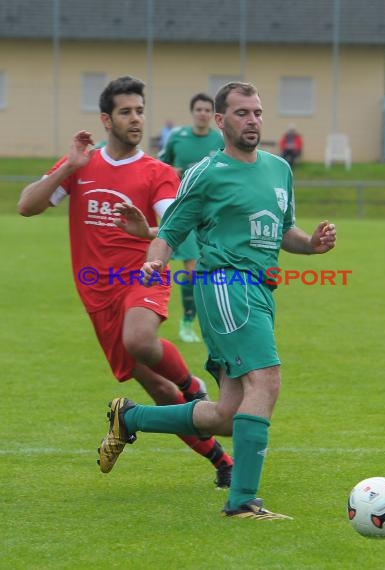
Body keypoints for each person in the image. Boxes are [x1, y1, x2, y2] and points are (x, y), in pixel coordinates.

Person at [98, 81, 336, 520]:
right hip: (226, 285)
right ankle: (243, 500)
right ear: (222, 121)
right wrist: (155, 261)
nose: (253, 121)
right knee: (266, 382)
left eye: (258, 112)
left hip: (261, 291)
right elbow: (170, 231)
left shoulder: (279, 168)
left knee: (228, 414)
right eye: (243, 113)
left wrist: (312, 244)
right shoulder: (206, 171)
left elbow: (284, 233)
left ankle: (130, 419)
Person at [17, 75, 233, 488]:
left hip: (143, 274)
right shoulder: (83, 165)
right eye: (126, 112)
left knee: (140, 341)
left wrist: (147, 233)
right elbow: (27, 206)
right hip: (97, 294)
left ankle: (193, 386)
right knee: (158, 389)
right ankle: (223, 462)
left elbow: (177, 226)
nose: (136, 119)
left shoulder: (158, 172)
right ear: (106, 119)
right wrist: (69, 168)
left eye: (140, 111)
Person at [158, 93, 223, 343]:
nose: (203, 113)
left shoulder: (219, 140)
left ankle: (194, 321)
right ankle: (186, 323)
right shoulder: (178, 137)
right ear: (192, 112)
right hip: (181, 211)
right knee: (191, 268)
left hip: (208, 214)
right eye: (199, 109)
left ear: (213, 114)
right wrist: (170, 171)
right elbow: (159, 166)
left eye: (207, 109)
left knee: (201, 272)